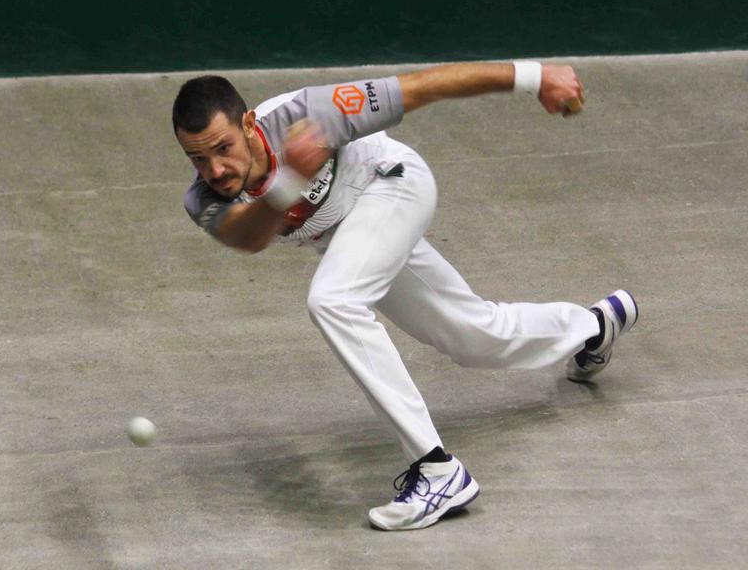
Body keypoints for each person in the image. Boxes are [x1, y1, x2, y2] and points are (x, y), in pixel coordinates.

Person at [172, 60, 639, 531]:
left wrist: (535, 77)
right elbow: (247, 238)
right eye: (197, 159)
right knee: (473, 337)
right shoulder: (203, 198)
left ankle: (437, 470)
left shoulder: (311, 114)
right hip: (346, 235)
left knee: (333, 301)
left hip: (390, 185)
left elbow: (418, 88)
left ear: (249, 123)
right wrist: (293, 176)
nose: (215, 169)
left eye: (223, 148)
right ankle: (594, 327)